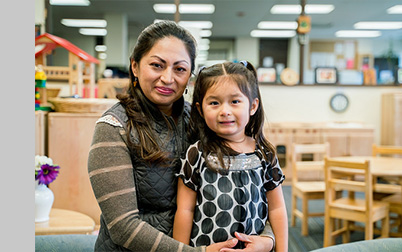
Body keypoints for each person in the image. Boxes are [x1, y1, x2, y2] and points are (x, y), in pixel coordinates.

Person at [88, 20, 275, 252]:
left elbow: (254, 188)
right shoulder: (113, 127)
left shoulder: (202, 119)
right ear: (135, 67)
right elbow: (123, 226)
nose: (168, 78)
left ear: (190, 76)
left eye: (180, 69)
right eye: (157, 65)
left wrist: (267, 239)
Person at [173, 61, 288, 251]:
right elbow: (185, 210)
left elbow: (277, 209)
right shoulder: (197, 154)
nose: (225, 111)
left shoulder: (264, 153)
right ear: (201, 110)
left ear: (252, 106)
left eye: (235, 101)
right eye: (214, 103)